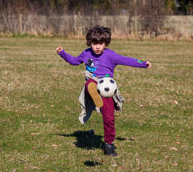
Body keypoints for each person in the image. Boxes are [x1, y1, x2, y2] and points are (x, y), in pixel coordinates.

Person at [56, 25, 151, 156]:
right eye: (95, 43)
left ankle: (109, 145)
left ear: (106, 43)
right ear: (90, 42)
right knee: (90, 82)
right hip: (93, 83)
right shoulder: (86, 53)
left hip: (107, 90)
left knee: (109, 118)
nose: (98, 46)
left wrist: (142, 63)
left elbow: (127, 60)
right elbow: (74, 61)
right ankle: (93, 93)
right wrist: (62, 53)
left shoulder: (111, 55)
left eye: (101, 43)